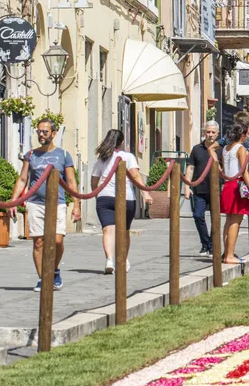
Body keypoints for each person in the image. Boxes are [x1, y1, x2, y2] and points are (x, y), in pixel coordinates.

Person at [12, 118, 80, 291]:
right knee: (38, 242)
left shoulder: (63, 155)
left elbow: (71, 182)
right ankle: (43, 278)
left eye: (45, 132)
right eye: (39, 132)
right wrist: (14, 201)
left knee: (57, 241)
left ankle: (55, 270)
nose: (41, 135)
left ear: (54, 133)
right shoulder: (31, 155)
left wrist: (77, 205)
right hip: (36, 203)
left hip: (58, 203)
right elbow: (22, 179)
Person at [90, 129, 151, 274]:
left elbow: (94, 182)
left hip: (104, 197)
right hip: (126, 198)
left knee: (108, 230)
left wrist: (97, 196)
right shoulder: (127, 157)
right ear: (122, 142)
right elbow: (136, 176)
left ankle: (110, 259)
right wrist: (145, 193)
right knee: (124, 231)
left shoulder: (101, 158)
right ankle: (122, 259)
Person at [219, 123, 249, 266]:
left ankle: (227, 252)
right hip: (237, 184)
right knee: (236, 220)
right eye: (246, 134)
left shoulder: (225, 149)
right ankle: (229, 254)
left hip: (228, 184)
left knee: (228, 220)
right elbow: (243, 171)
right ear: (242, 135)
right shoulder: (241, 149)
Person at [185, 123, 218, 256]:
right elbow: (190, 168)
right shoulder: (196, 149)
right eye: (208, 132)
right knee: (198, 215)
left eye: (213, 132)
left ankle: (212, 245)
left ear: (217, 133)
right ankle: (206, 243)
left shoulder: (221, 149)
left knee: (215, 219)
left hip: (216, 189)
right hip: (200, 189)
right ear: (204, 133)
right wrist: (187, 186)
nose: (210, 135)